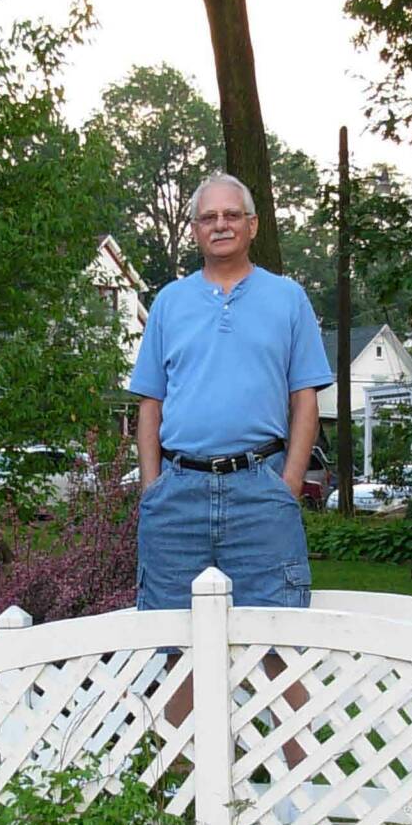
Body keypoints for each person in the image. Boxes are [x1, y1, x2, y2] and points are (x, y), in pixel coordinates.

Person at [129, 172, 332, 756]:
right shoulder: (169, 303)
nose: (220, 225)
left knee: (277, 641)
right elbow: (150, 403)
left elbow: (305, 402)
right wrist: (152, 488)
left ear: (251, 225)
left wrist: (288, 485)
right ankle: (178, 793)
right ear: (195, 230)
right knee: (172, 647)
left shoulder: (287, 298)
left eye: (231, 215)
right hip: (179, 495)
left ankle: (302, 795)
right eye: (208, 217)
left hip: (259, 492)